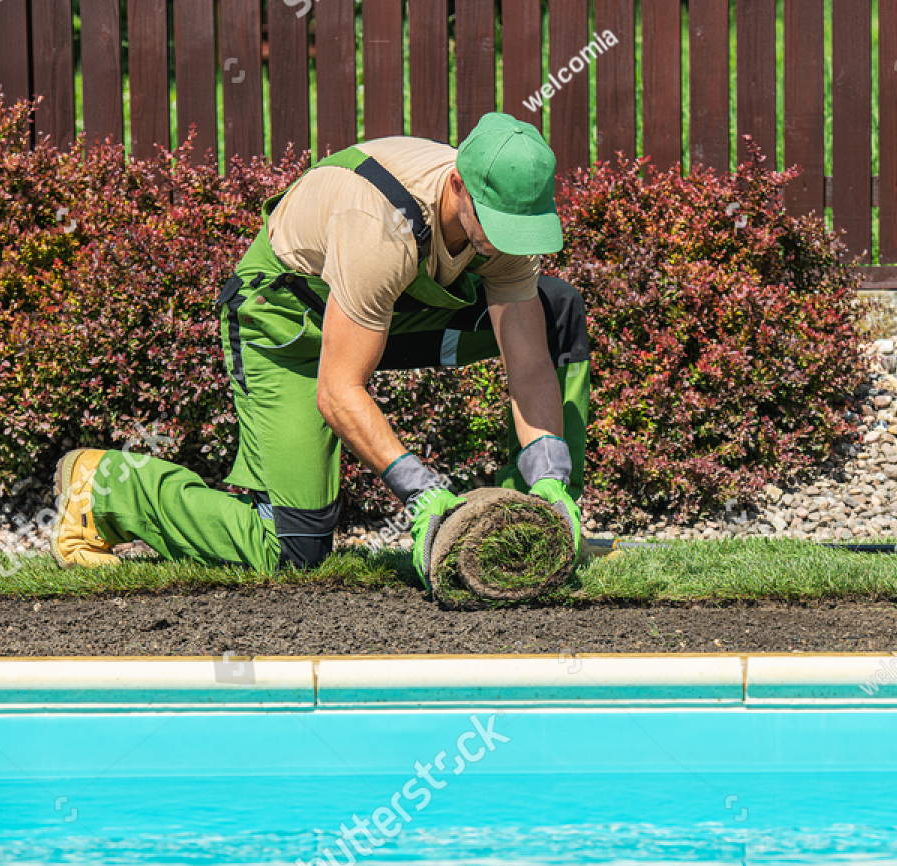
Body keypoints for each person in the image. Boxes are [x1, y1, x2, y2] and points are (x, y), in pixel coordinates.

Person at [51, 112, 588, 592]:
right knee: (292, 550)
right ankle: (102, 491)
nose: (504, 243)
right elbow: (338, 389)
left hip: (385, 311)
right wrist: (421, 492)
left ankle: (536, 530)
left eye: (520, 230)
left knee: (555, 309)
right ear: (457, 184)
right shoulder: (381, 225)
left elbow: (529, 360)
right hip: (285, 327)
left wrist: (550, 476)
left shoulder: (504, 214)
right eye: (496, 228)